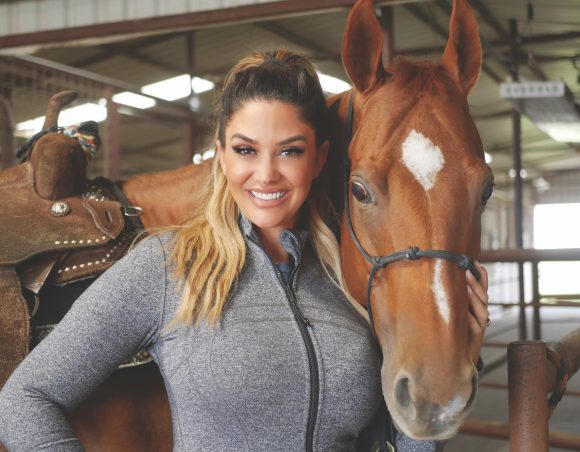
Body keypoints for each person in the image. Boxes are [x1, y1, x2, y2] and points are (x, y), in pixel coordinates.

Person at [0, 50, 489, 451]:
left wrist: (461, 348)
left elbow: (399, 445)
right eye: (246, 149)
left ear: (320, 157)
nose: (267, 175)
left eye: (290, 151)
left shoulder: (349, 283)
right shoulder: (168, 264)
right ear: (221, 153)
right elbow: (25, 397)